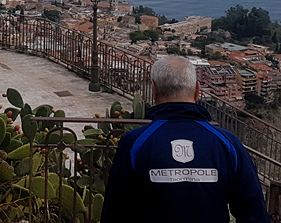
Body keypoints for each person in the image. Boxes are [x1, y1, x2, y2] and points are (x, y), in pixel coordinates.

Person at [101, 56, 269, 222]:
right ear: (197, 90)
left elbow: (116, 213)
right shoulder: (228, 144)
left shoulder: (135, 143)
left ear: (154, 90)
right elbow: (254, 213)